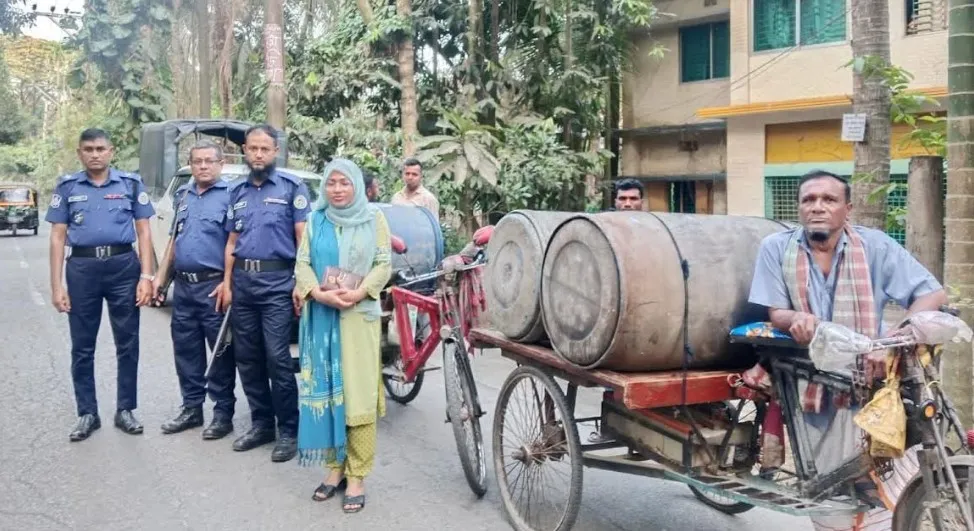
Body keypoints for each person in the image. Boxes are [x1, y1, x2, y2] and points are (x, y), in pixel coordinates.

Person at [748, 169, 947, 530]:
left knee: (881, 474)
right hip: (807, 379)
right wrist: (797, 317)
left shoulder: (876, 246)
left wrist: (890, 339)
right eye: (809, 200)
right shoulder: (776, 248)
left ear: (848, 209)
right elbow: (775, 312)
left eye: (829, 200)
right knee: (826, 484)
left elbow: (932, 294)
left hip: (867, 373)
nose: (817, 208)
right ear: (799, 208)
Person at [293, 158, 391, 514]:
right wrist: (317, 294)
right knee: (328, 390)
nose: (337, 189)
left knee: (358, 396)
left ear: (356, 186)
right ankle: (334, 471)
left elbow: (383, 263)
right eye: (331, 183)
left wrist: (360, 292)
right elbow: (302, 263)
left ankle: (358, 475)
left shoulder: (374, 219)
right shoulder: (316, 220)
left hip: (356, 318)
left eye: (344, 182)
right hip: (321, 318)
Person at [46, 128, 156, 442]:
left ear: (111, 151)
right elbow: (57, 237)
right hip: (81, 269)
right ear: (80, 153)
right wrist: (57, 286)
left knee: (128, 343)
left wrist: (146, 277)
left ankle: (125, 409)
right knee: (82, 346)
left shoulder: (130, 184)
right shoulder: (67, 187)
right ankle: (87, 413)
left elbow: (144, 232)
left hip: (124, 268)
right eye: (88, 149)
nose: (95, 154)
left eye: (100, 148)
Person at [222, 124, 312, 462]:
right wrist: (228, 284)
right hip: (244, 285)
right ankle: (261, 424)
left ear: (275, 152)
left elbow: (303, 239)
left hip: (277, 285)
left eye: (265, 149)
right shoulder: (236, 192)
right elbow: (231, 243)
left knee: (277, 357)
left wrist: (303, 283)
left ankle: (289, 429)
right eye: (253, 148)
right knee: (247, 357)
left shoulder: (292, 188)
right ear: (245, 150)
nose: (258, 154)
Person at [153, 140, 236, 439]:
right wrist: (160, 281)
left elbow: (235, 244)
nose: (202, 166)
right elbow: (175, 241)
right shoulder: (183, 194)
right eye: (197, 161)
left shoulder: (231, 196)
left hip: (213, 287)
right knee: (186, 350)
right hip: (184, 289)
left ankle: (223, 412)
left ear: (220, 163)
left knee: (220, 353)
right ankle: (191, 407)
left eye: (208, 161)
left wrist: (228, 283)